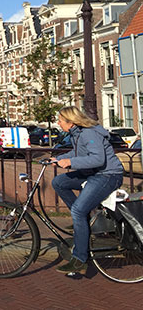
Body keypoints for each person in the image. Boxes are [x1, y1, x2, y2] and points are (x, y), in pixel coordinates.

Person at [51, 106, 124, 274]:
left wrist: (70, 163)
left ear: (70, 122)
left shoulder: (89, 133)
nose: (58, 123)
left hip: (108, 175)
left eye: (60, 120)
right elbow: (78, 152)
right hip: (92, 173)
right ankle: (83, 217)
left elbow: (98, 159)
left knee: (78, 210)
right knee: (59, 182)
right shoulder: (77, 134)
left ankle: (79, 260)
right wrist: (58, 158)